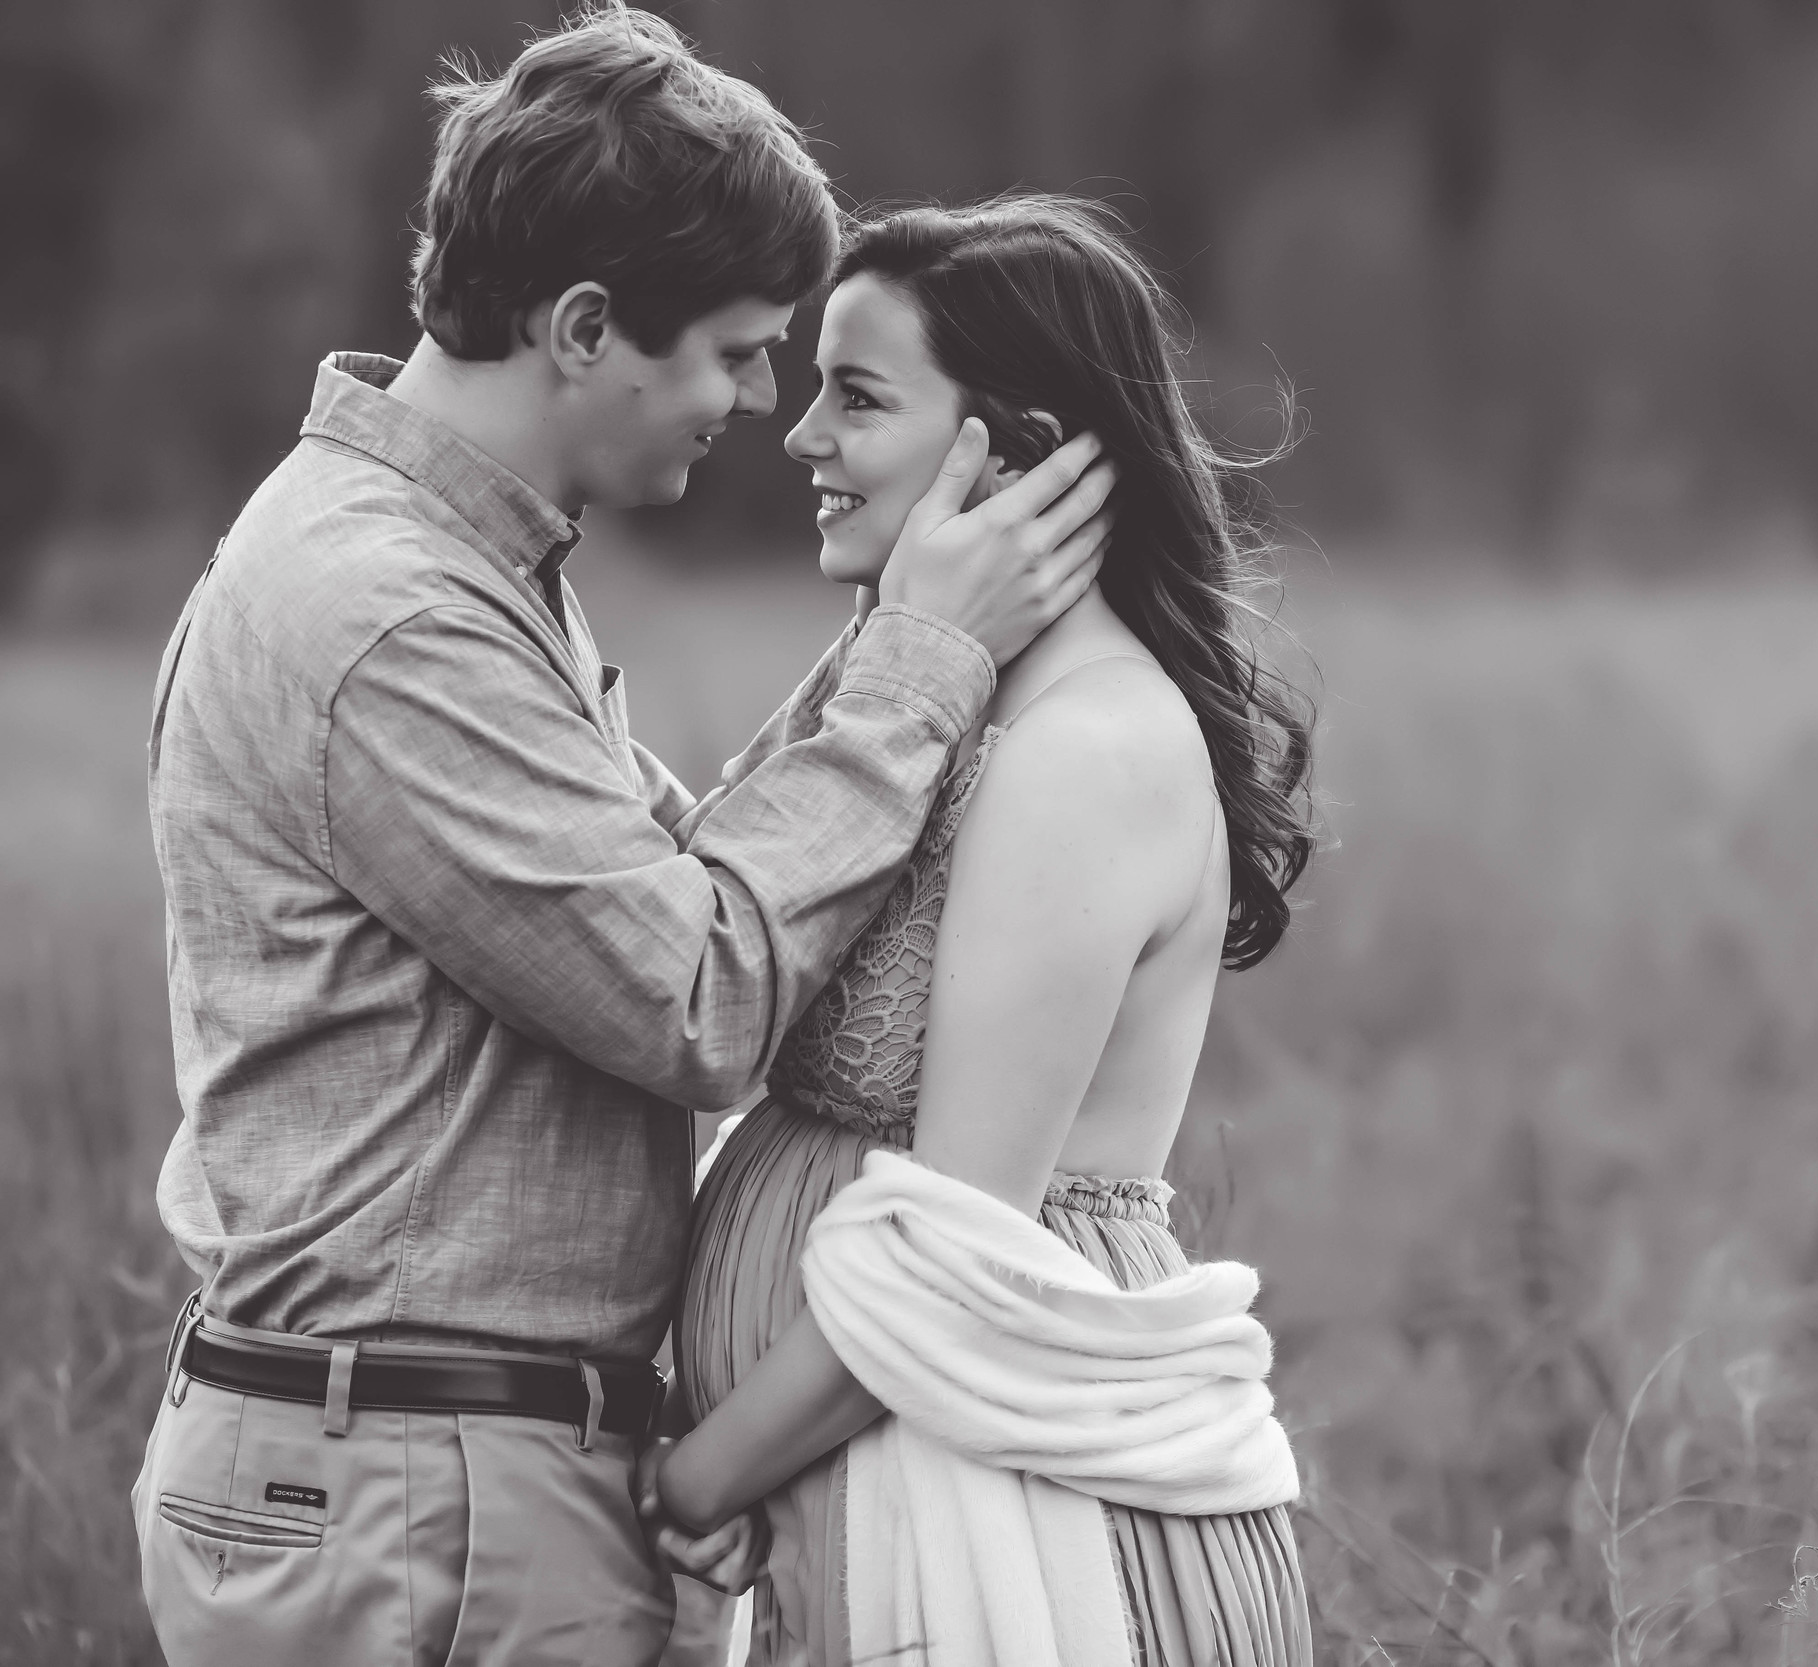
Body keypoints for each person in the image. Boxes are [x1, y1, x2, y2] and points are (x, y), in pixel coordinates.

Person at [129, 11, 1115, 1665]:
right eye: (737, 352)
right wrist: (921, 662)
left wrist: (906, 632)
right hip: (413, 1497)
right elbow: (698, 995)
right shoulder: (385, 621)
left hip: (432, 1475)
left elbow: (689, 878)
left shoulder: (468, 574)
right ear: (585, 326)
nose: (759, 405)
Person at [653, 196, 1319, 1664]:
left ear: (1009, 451)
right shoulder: (944, 702)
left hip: (1014, 1523)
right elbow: (690, 914)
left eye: (859, 396)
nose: (801, 435)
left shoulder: (1086, 753)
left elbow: (954, 1256)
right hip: (875, 1487)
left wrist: (686, 1481)